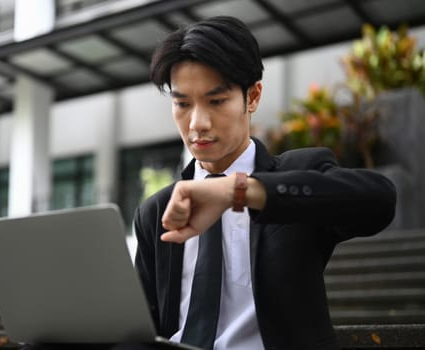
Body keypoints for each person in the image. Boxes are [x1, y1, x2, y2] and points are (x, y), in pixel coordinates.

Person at [133, 16, 396, 350]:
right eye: (182, 104)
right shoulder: (156, 211)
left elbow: (380, 200)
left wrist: (238, 191)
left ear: (252, 97)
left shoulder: (298, 171)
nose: (197, 123)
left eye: (216, 101)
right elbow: (143, 327)